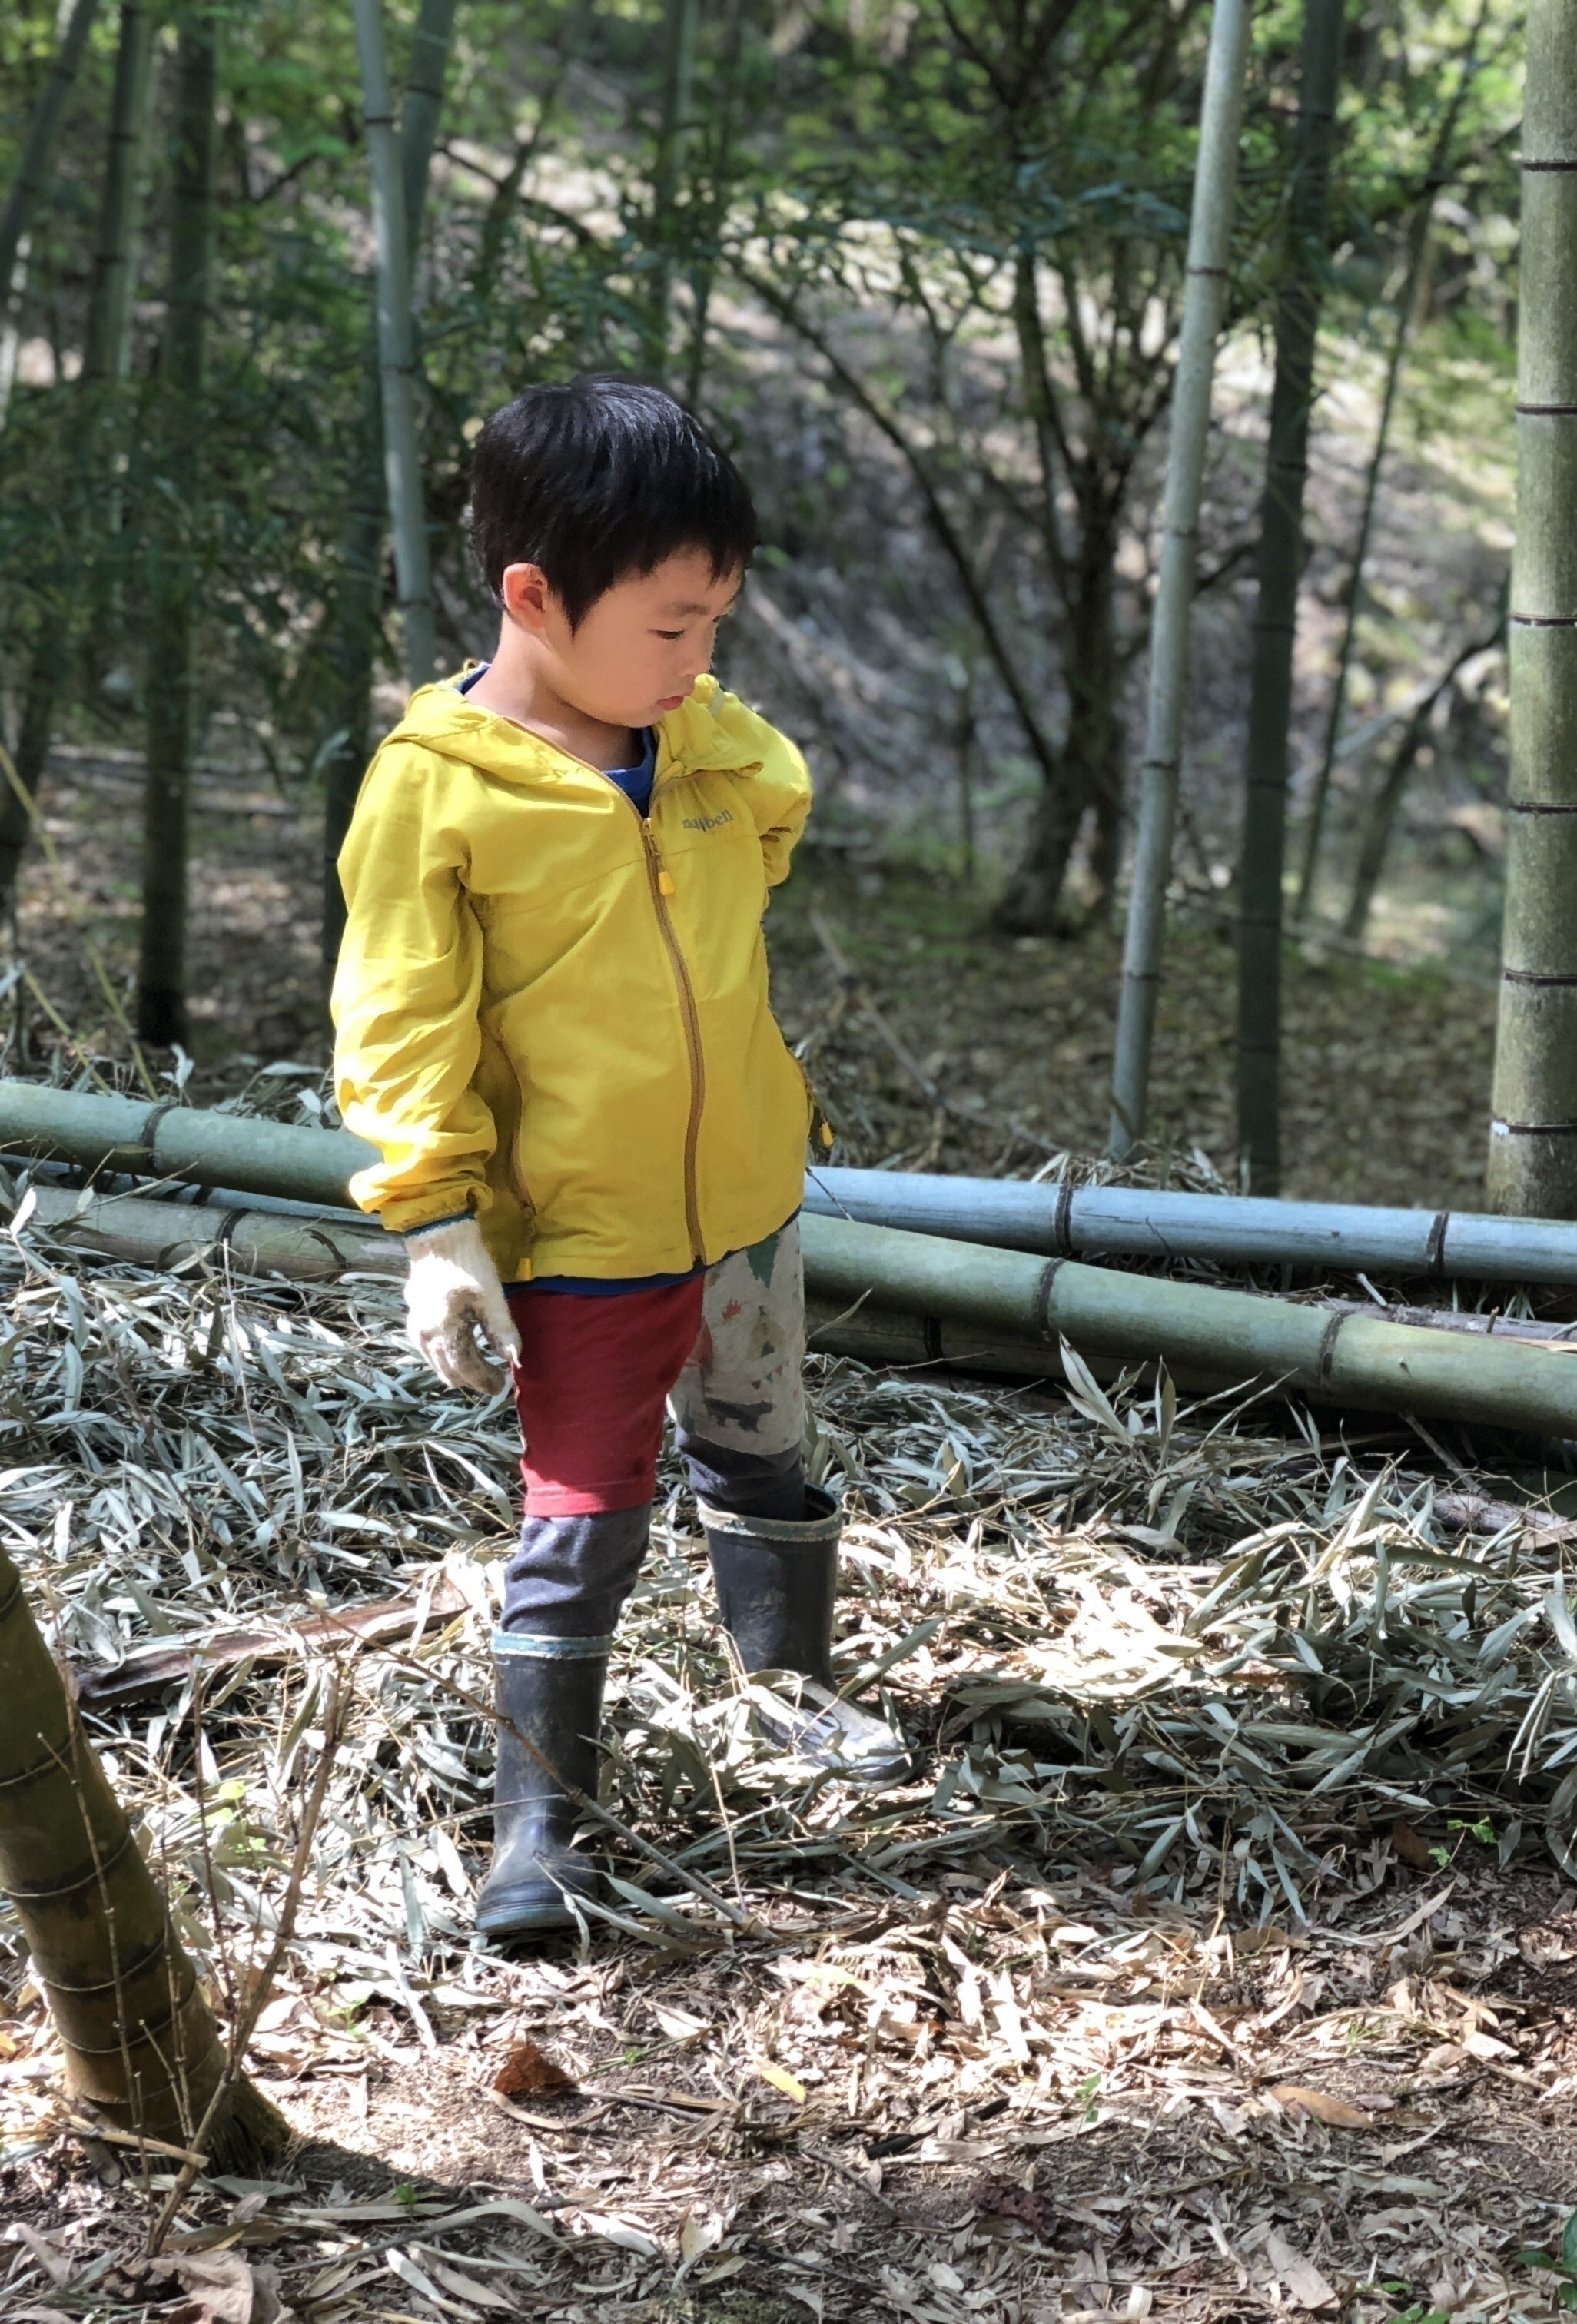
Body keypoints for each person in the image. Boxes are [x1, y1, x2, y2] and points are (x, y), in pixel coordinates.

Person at [331, 376, 904, 1946]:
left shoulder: (706, 747)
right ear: (533, 598)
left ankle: (786, 1688)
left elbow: (777, 801)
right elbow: (399, 1022)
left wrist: (692, 719)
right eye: (670, 624)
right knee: (583, 1515)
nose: (699, 655)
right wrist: (437, 1222)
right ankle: (539, 1831)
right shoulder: (440, 792)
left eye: (716, 618)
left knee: (763, 1447)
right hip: (582, 1231)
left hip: (743, 1205)